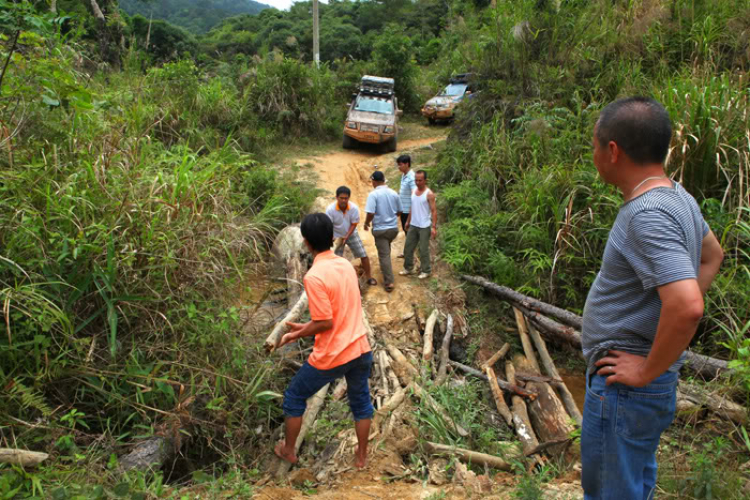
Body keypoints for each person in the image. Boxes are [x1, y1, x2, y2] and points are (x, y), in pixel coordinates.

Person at [581, 97, 724, 500]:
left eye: (595, 146)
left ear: (613, 151)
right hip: (641, 390)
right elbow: (712, 256)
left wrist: (645, 369)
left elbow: (688, 305)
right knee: (632, 486)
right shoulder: (678, 197)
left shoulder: (647, 214)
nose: (593, 156)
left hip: (627, 389)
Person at [274, 213, 374, 469]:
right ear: (332, 237)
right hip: (360, 348)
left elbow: (325, 322)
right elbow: (336, 313)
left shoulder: (314, 276)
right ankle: (362, 457)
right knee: (361, 402)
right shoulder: (344, 265)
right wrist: (307, 326)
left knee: (294, 397)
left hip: (333, 355)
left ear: (306, 243)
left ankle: (288, 450)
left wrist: (296, 333)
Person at [325, 186, 375, 286]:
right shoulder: (330, 209)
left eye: (346, 198)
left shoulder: (353, 208)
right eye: (341, 198)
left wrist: (347, 236)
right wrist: (332, 238)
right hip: (336, 235)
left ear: (349, 198)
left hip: (351, 233)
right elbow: (328, 225)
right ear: (336, 197)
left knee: (363, 254)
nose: (344, 200)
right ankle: (336, 281)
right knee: (335, 258)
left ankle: (369, 277)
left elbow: (354, 223)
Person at [363, 171, 402, 292]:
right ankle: (386, 269)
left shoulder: (373, 194)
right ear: (384, 180)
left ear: (374, 181)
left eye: (372, 181)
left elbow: (370, 212)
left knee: (384, 255)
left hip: (380, 229)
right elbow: (400, 211)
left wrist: (366, 223)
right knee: (386, 249)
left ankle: (389, 282)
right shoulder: (393, 193)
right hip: (393, 229)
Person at [399, 170, 437, 279]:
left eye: (420, 180)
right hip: (413, 224)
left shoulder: (429, 194)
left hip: (424, 226)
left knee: (423, 249)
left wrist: (433, 227)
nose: (418, 182)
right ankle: (408, 268)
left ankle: (426, 270)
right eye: (416, 180)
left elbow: (434, 211)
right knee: (408, 247)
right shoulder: (414, 191)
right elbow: (412, 207)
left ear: (425, 180)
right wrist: (407, 221)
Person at [396, 154, 417, 258]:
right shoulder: (404, 175)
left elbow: (414, 195)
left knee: (409, 232)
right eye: (398, 165)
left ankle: (411, 254)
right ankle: (408, 252)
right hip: (404, 209)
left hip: (409, 210)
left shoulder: (412, 177)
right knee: (406, 231)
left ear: (407, 164)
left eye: (400, 165)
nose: (399, 167)